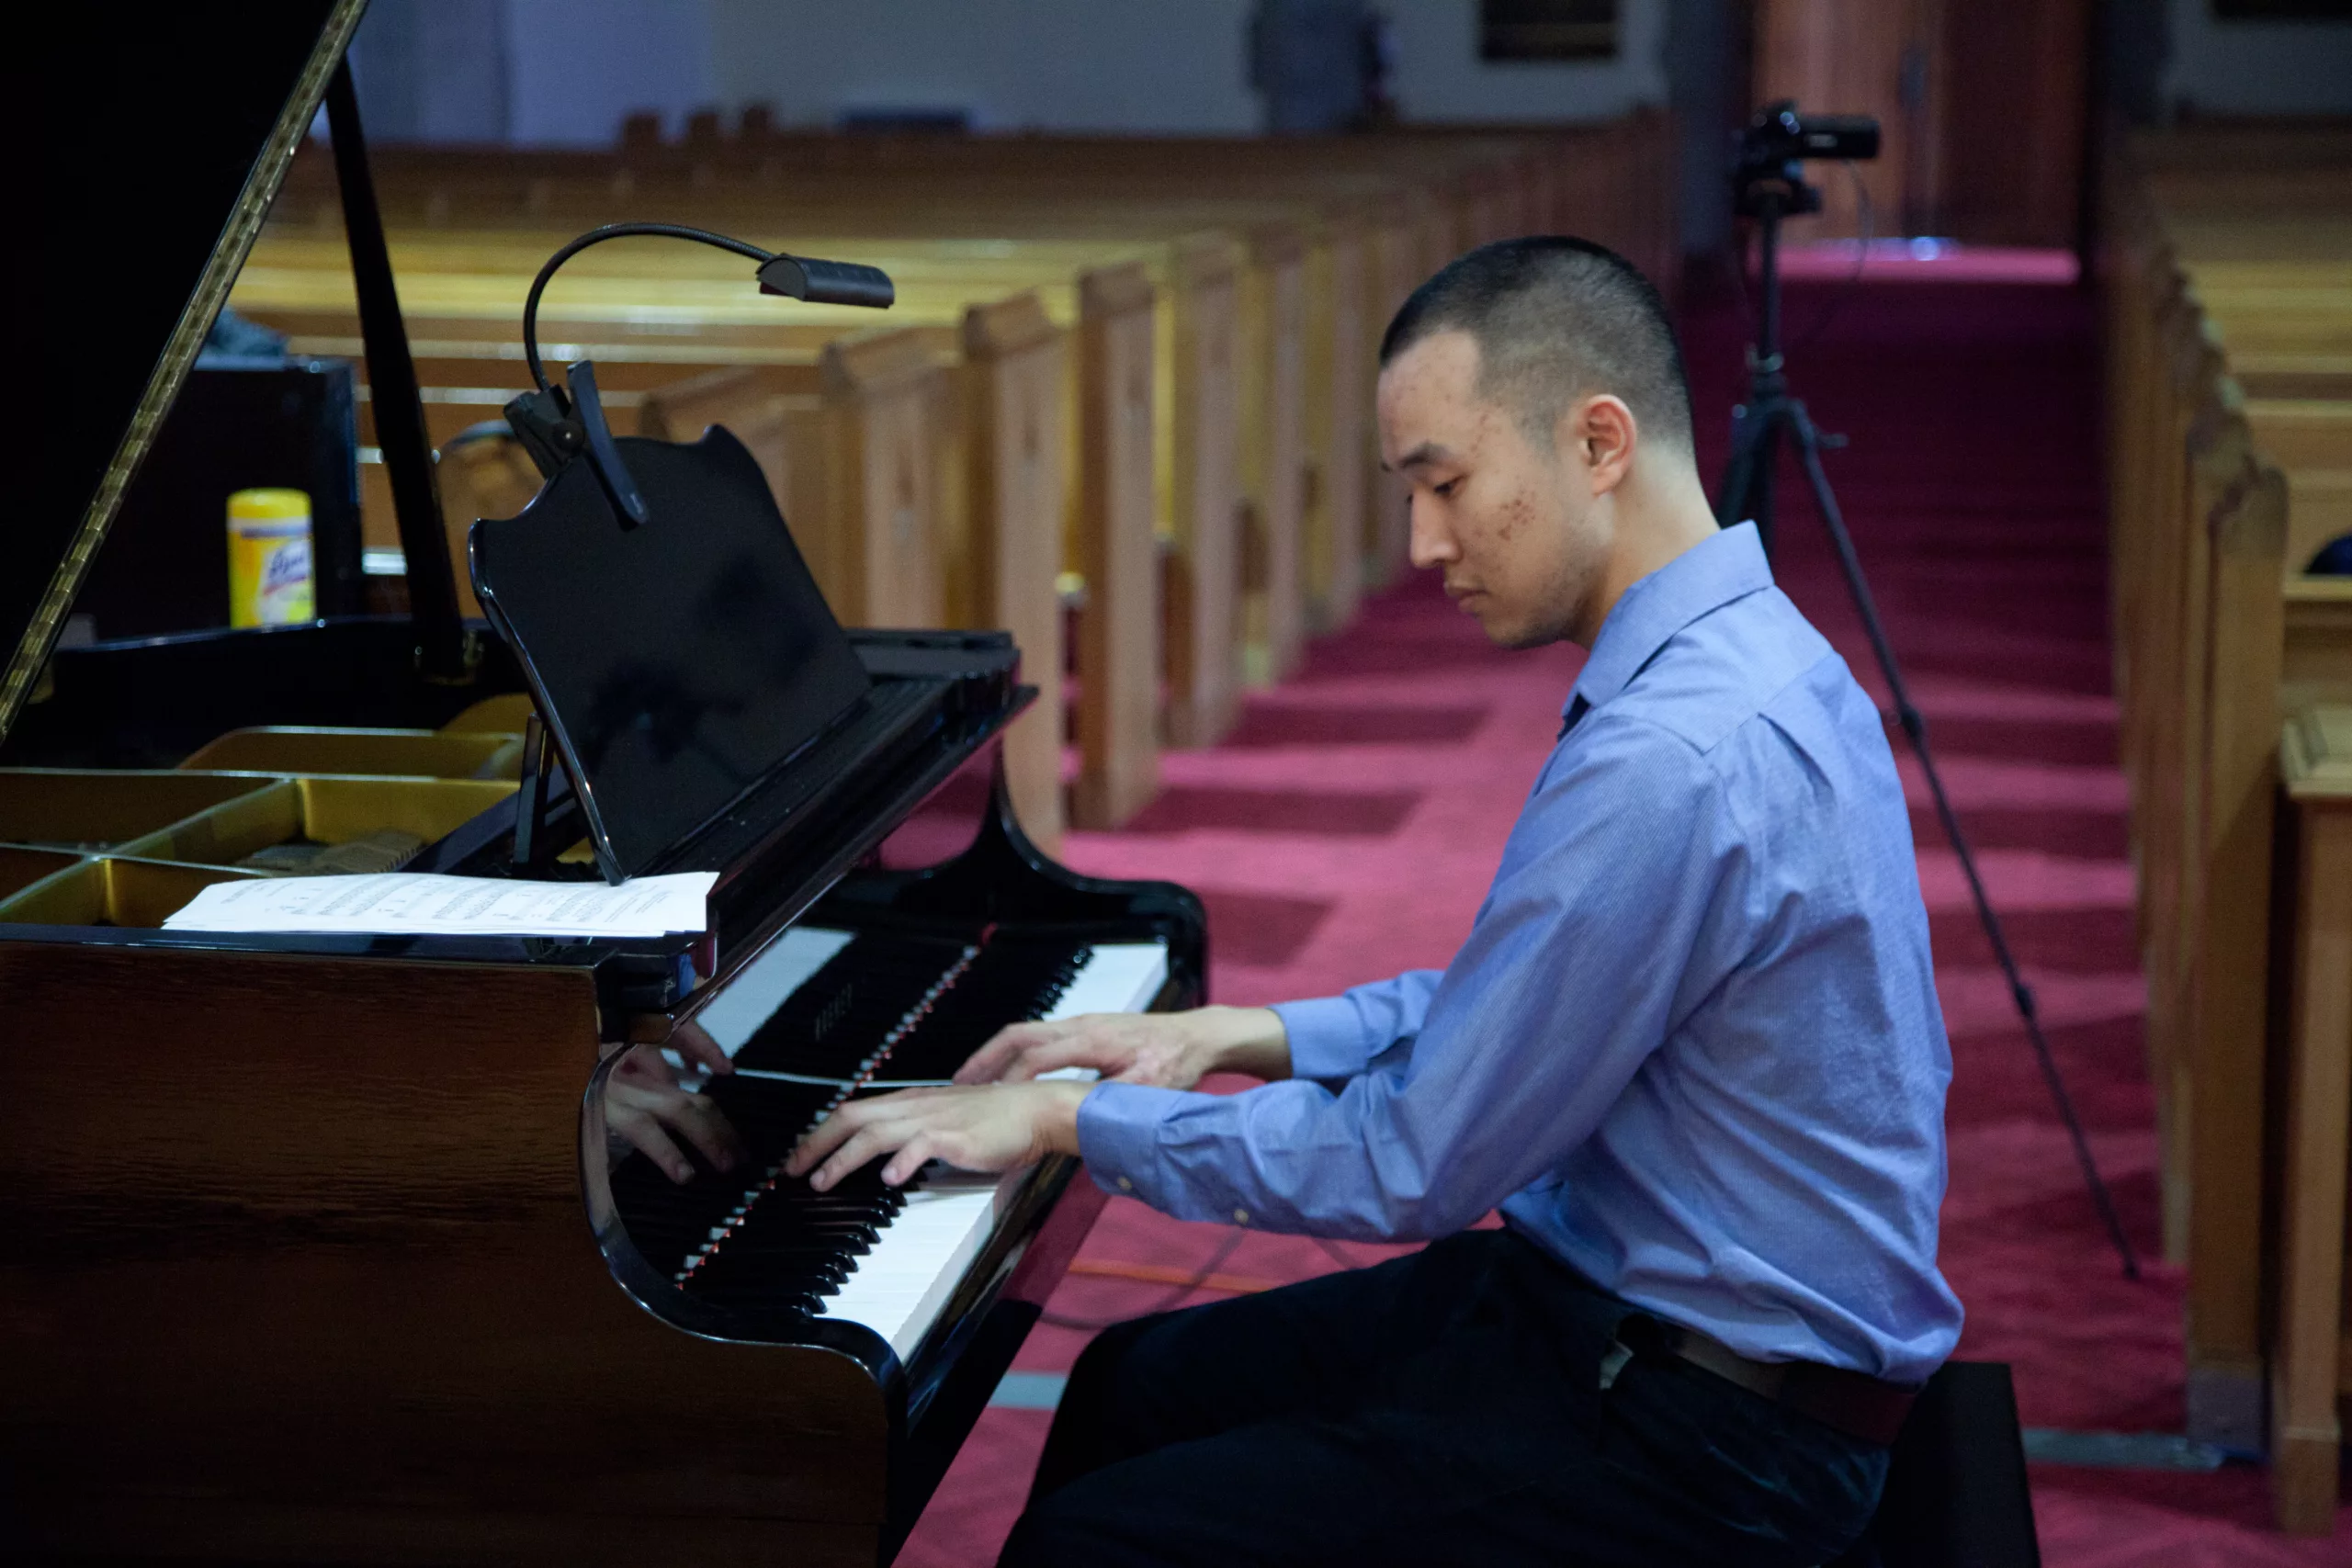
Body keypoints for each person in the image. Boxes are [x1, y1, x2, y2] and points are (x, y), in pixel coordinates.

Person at [786, 236, 1963, 1567]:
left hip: (1717, 1434)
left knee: (1097, 1542)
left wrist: (1072, 1116)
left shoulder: (1670, 757)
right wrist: (1231, 1036)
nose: (1424, 543)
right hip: (1629, 1313)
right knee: (1129, 1387)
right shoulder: (1757, 654)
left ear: (1599, 441)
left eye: (1446, 483)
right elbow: (1536, 1009)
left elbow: (1415, 1163)